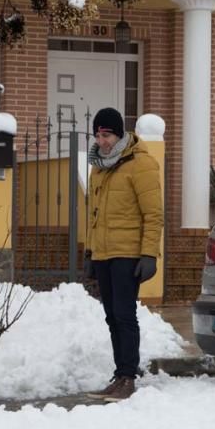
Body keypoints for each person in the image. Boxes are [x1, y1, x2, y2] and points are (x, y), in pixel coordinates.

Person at [84, 107, 163, 402]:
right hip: (104, 252)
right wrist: (90, 252)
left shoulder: (141, 164)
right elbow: (93, 214)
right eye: (98, 134)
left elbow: (153, 214)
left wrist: (149, 255)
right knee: (111, 316)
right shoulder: (99, 166)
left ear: (119, 135)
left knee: (124, 314)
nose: (102, 140)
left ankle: (129, 376)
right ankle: (119, 375)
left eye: (107, 134)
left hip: (129, 252)